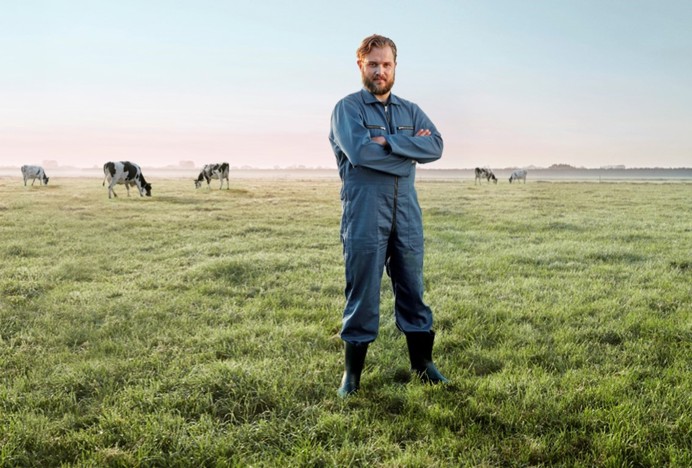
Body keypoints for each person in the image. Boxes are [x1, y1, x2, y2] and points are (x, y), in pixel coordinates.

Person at [329, 34, 448, 397]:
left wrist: (390, 142)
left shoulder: (410, 110)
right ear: (361, 66)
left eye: (386, 64)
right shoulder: (347, 109)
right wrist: (410, 153)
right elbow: (362, 154)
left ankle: (423, 364)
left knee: (413, 287)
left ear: (395, 67)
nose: (380, 71)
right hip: (365, 212)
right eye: (373, 64)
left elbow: (437, 146)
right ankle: (352, 376)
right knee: (363, 292)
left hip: (406, 212)